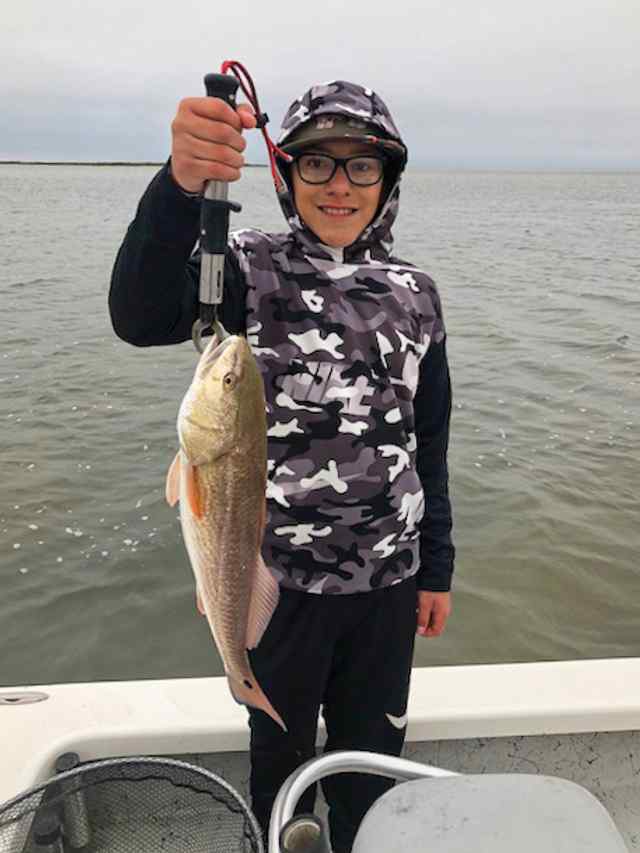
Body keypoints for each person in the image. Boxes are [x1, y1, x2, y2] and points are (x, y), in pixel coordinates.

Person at [109, 79, 455, 853]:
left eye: (361, 166)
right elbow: (137, 313)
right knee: (282, 767)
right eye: (317, 165)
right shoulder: (248, 270)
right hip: (281, 587)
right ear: (285, 174)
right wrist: (179, 183)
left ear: (389, 180)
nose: (339, 185)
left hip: (388, 593)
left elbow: (429, 442)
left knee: (372, 772)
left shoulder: (417, 296)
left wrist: (436, 568)